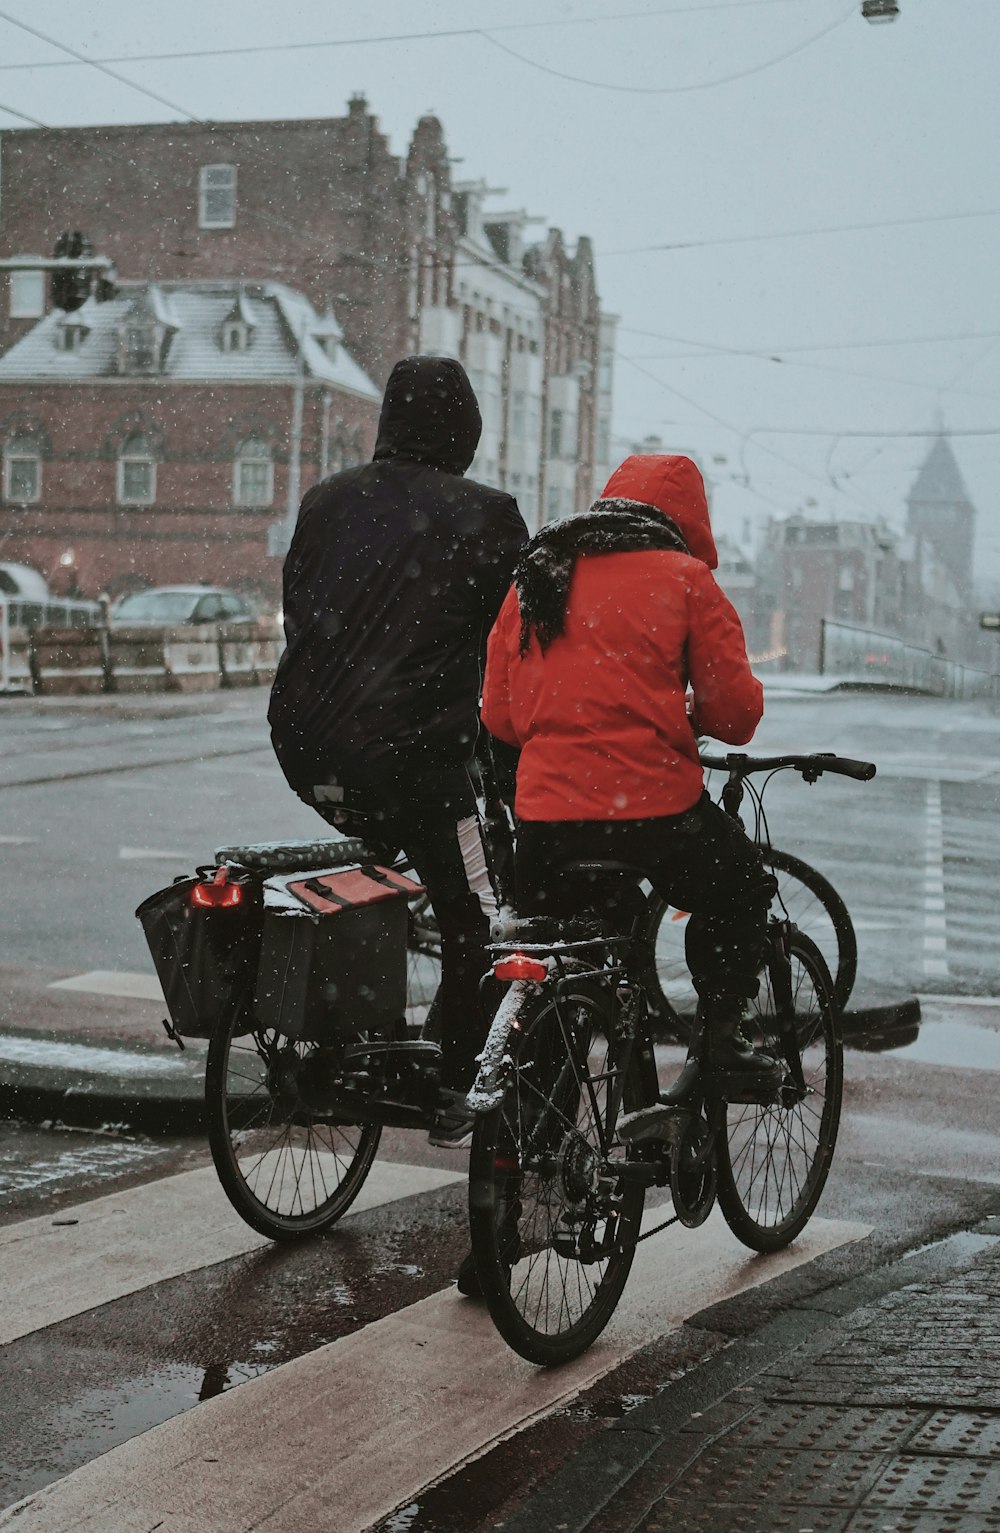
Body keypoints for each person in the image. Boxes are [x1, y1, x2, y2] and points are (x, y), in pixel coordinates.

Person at [269, 355, 528, 1143]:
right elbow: (518, 648)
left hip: (305, 743)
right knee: (480, 913)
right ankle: (456, 1085)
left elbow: (300, 613)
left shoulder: (324, 499)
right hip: (412, 754)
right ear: (467, 430)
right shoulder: (487, 514)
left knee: (378, 869)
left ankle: (349, 1045)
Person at [481, 452, 778, 1089]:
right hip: (651, 816)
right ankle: (723, 1040)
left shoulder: (538, 572)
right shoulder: (686, 579)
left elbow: (502, 718)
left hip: (545, 824)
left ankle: (537, 1110)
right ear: (690, 522)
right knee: (741, 888)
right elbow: (736, 715)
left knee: (568, 956)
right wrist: (681, 709)